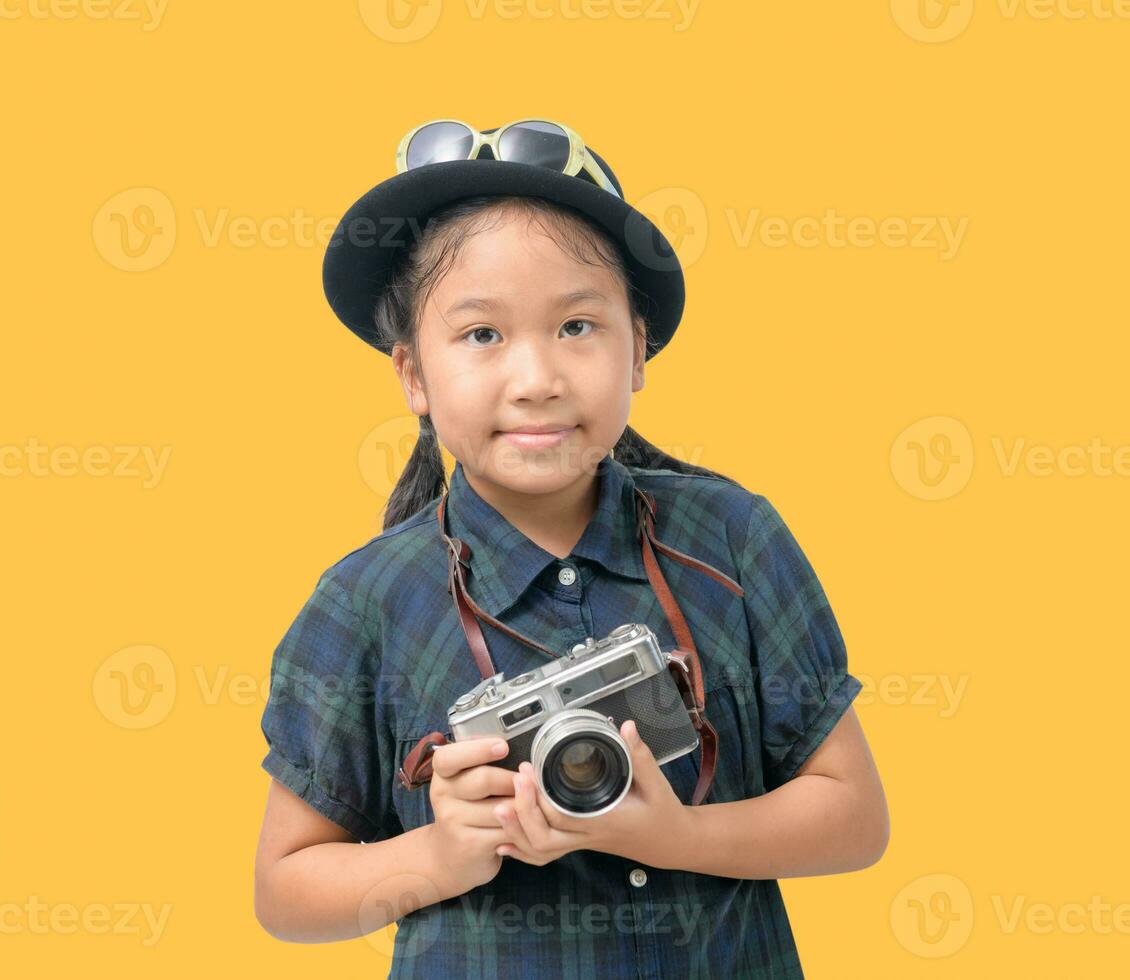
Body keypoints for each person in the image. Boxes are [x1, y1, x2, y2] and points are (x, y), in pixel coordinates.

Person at [252, 117, 888, 978]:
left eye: (578, 327)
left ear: (639, 352)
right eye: (482, 335)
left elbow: (853, 819)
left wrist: (678, 834)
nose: (537, 377)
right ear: (413, 376)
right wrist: (439, 855)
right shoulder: (366, 601)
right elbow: (285, 890)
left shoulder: (733, 539)